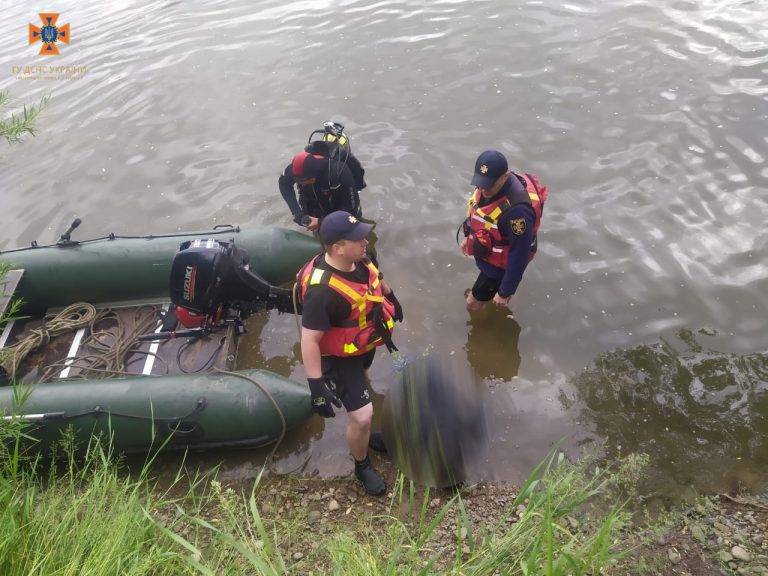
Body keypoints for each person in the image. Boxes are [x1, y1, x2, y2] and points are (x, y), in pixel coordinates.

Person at [296, 211, 404, 495]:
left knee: (364, 381)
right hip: (337, 357)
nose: (364, 242)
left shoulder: (361, 258)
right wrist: (315, 385)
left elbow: (377, 279)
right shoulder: (322, 292)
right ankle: (362, 464)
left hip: (361, 344)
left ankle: (366, 436)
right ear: (337, 248)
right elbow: (309, 339)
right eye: (357, 239)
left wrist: (392, 298)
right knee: (363, 416)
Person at [460, 150, 548, 312]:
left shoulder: (517, 214)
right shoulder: (486, 187)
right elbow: (477, 210)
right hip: (490, 256)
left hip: (498, 268)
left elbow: (519, 255)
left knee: (472, 304)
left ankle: (484, 323)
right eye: (480, 183)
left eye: (489, 184)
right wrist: (467, 235)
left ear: (505, 177)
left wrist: (505, 292)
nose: (483, 189)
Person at [279, 124, 367, 232]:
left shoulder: (338, 172)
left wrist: (322, 222)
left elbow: (350, 210)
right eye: (299, 182)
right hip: (316, 210)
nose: (303, 184)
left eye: (306, 181)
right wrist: (298, 213)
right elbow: (284, 184)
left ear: (315, 174)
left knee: (354, 235)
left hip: (340, 210)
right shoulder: (294, 168)